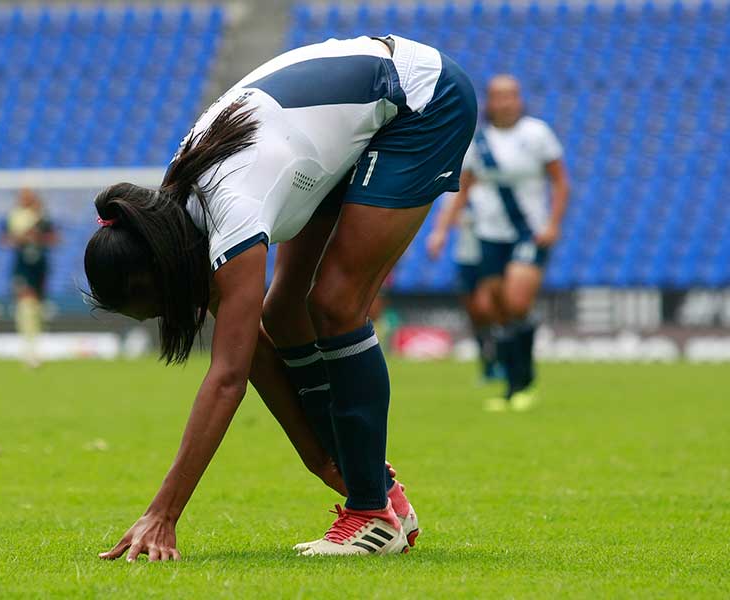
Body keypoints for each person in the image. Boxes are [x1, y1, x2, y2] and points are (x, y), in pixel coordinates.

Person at [84, 34, 477, 560]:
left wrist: (164, 512)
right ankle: (378, 494)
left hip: (420, 100)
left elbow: (227, 378)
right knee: (286, 313)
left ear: (153, 275)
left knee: (336, 304)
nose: (167, 317)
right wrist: (318, 458)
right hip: (342, 127)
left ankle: (371, 516)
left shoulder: (231, 210)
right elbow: (258, 354)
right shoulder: (171, 221)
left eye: (153, 308)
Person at [427, 75, 569, 411]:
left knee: (516, 302)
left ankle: (525, 380)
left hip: (529, 232)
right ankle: (513, 386)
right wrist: (440, 230)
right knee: (496, 310)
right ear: (489, 101)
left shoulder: (537, 134)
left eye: (511, 96)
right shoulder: (480, 142)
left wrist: (552, 223)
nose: (505, 102)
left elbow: (561, 183)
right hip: (490, 236)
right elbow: (463, 190)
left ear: (519, 99)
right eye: (498, 96)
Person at [428, 200, 500, 381]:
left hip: (490, 257)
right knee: (474, 314)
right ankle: (487, 364)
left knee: (488, 308)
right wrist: (439, 233)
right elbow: (446, 215)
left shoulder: (492, 189)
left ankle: (503, 360)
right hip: (466, 258)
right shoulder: (458, 193)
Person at [1, 189, 59, 367]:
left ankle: (35, 346)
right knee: (26, 304)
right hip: (22, 267)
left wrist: (38, 237)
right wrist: (20, 238)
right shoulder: (14, 216)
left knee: (37, 309)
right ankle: (29, 351)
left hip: (40, 267)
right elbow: (4, 239)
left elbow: (55, 238)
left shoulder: (43, 217)